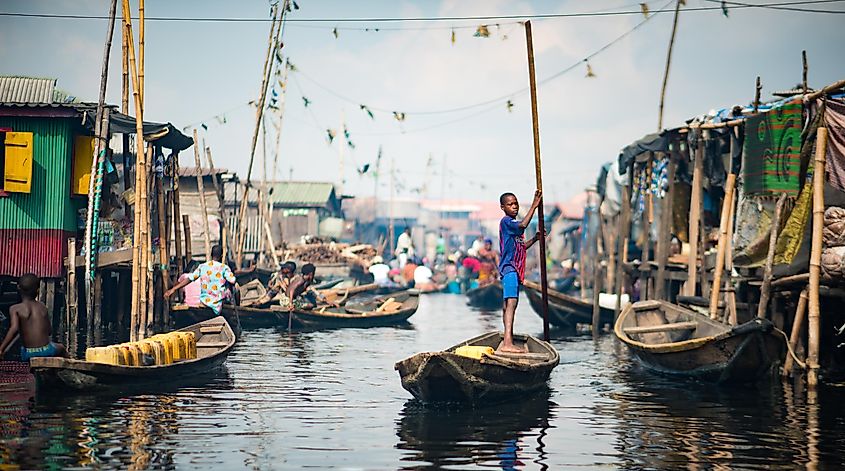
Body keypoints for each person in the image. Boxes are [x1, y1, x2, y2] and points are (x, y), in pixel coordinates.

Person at [498, 190, 543, 353]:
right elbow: (523, 224)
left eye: (516, 203)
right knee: (511, 304)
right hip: (509, 268)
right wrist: (534, 205)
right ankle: (508, 343)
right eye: (510, 204)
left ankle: (506, 340)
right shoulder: (507, 222)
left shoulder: (513, 228)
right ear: (503, 207)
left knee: (508, 305)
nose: (514, 207)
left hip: (514, 270)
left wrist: (535, 239)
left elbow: (521, 247)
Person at [0, 273, 66, 360]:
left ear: (18, 287)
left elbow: (14, 328)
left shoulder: (15, 308)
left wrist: (1, 349)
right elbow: (49, 331)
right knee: (61, 347)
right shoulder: (43, 307)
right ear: (38, 290)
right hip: (47, 351)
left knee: (20, 350)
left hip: (28, 353)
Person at [165, 244, 237, 315]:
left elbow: (190, 279)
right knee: (232, 289)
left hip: (204, 301)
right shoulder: (224, 268)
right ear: (222, 256)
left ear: (211, 255)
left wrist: (174, 289)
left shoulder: (202, 266)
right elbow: (232, 280)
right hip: (217, 304)